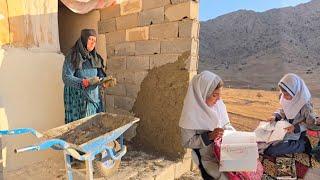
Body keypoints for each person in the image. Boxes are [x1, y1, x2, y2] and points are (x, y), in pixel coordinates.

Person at [179, 71, 235, 180]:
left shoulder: (218, 105)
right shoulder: (190, 114)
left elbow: (226, 124)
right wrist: (209, 136)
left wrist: (234, 135)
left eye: (220, 95)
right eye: (214, 95)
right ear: (202, 94)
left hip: (225, 154)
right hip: (207, 158)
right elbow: (186, 142)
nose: (218, 99)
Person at [264, 73, 318, 156]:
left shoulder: (305, 105)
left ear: (295, 92)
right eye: (283, 94)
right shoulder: (286, 97)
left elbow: (310, 123)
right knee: (266, 141)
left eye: (286, 94)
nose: (284, 97)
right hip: (284, 128)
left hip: (296, 132)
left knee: (271, 151)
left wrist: (295, 128)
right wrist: (275, 116)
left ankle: (302, 144)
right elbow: (284, 110)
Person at [62, 29, 109, 124]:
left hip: (93, 97)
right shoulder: (73, 56)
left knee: (94, 125)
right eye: (90, 39)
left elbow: (99, 76)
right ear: (84, 39)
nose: (93, 43)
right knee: (79, 129)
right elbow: (66, 77)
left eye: (95, 41)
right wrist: (83, 82)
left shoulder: (96, 58)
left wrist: (105, 81)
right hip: (77, 101)